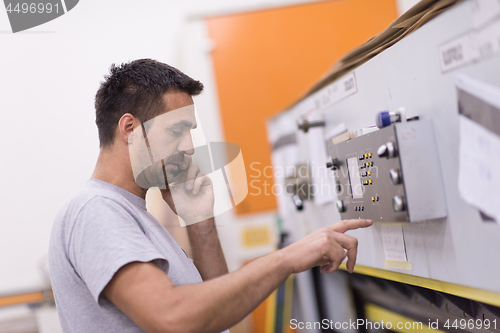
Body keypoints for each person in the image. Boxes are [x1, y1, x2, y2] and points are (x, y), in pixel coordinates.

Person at [48, 59, 373, 333]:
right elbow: (173, 316)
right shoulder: (96, 210)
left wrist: (200, 220)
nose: (189, 147)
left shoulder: (132, 213)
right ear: (130, 130)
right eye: (178, 130)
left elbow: (215, 310)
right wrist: (287, 257)